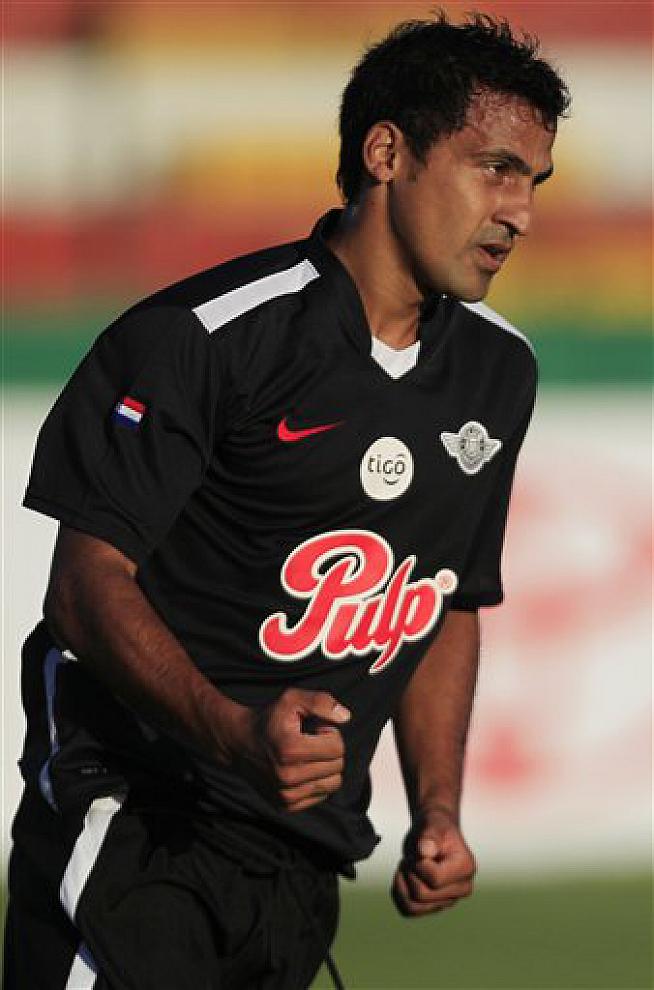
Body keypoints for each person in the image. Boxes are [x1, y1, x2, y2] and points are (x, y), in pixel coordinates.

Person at [3, 11, 570, 990]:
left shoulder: (498, 372)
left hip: (301, 861)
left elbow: (443, 600)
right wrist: (231, 731)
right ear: (387, 154)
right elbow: (85, 587)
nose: (519, 212)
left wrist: (438, 810)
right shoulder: (205, 336)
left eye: (535, 182)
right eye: (495, 169)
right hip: (141, 827)